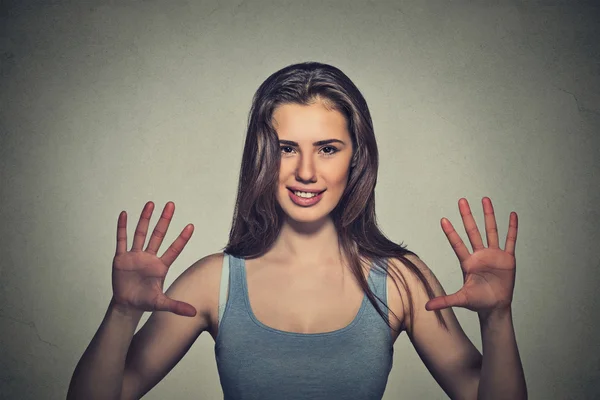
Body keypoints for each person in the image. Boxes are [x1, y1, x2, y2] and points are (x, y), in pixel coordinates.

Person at [67, 62, 527, 400]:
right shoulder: (215, 282)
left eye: (327, 148)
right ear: (261, 158)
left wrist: (498, 318)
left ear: (356, 157)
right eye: (286, 148)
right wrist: (122, 312)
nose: (306, 171)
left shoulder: (403, 281)